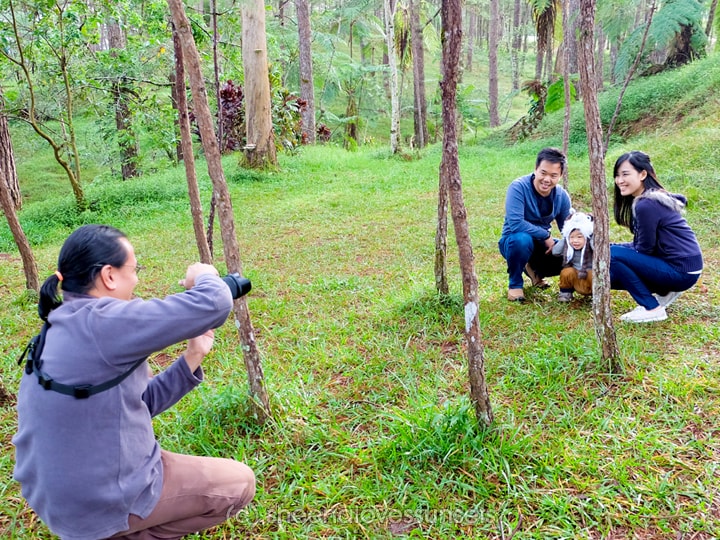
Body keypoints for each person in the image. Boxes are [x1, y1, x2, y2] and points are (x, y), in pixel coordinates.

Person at [13, 224, 256, 540]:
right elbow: (213, 303)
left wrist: (192, 358)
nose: (138, 279)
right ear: (108, 276)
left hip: (55, 499)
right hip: (97, 503)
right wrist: (204, 275)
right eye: (134, 269)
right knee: (238, 483)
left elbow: (140, 404)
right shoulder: (103, 322)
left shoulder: (60, 323)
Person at [610, 151, 703, 323]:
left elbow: (644, 249)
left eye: (625, 174)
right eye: (617, 175)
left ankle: (652, 308)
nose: (619, 180)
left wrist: (612, 249)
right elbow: (642, 245)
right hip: (687, 267)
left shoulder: (646, 204)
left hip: (681, 269)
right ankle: (663, 293)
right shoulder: (652, 199)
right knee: (612, 262)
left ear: (643, 174)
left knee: (611, 255)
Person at [498, 147, 573, 301]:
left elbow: (569, 228)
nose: (547, 180)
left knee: (571, 252)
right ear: (536, 169)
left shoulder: (561, 196)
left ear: (560, 175)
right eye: (543, 173)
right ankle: (515, 285)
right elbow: (516, 224)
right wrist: (545, 235)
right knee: (521, 240)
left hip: (541, 247)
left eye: (553, 175)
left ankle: (536, 272)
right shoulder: (518, 187)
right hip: (513, 241)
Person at [551, 211, 594, 302]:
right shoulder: (569, 246)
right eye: (572, 237)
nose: (575, 241)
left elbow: (597, 249)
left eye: (579, 237)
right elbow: (555, 252)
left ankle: (597, 295)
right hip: (576, 275)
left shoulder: (590, 244)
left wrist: (592, 237)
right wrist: (565, 239)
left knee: (593, 274)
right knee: (566, 272)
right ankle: (566, 293)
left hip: (589, 275)